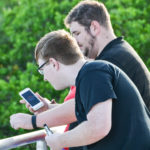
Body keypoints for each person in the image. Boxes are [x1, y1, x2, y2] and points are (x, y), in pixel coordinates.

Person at [18, 1, 150, 150]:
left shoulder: (98, 68)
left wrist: (36, 123)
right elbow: (89, 107)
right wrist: (50, 108)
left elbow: (97, 124)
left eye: (76, 33)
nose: (75, 41)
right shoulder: (99, 66)